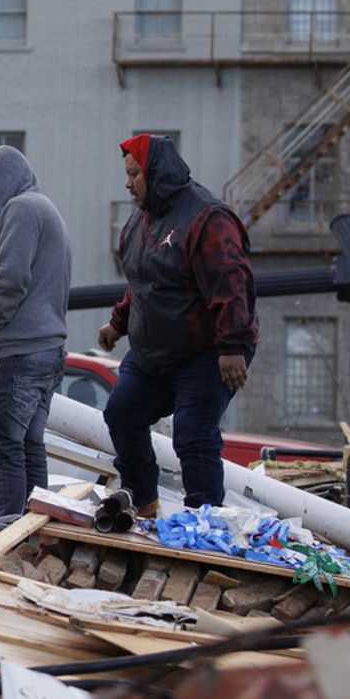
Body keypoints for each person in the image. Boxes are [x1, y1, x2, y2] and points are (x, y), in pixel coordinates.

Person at [98, 133, 257, 515]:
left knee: (194, 437)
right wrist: (117, 324)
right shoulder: (138, 223)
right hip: (154, 353)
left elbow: (232, 285)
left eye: (134, 174)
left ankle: (204, 523)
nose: (127, 182)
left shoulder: (207, 218)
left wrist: (232, 347)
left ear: (156, 173)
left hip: (206, 352)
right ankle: (142, 502)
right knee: (121, 413)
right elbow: (143, 283)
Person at [0, 145, 72, 544]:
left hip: (16, 357)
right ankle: (33, 544)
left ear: (4, 183)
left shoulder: (22, 210)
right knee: (27, 449)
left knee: (4, 453)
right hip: (44, 353)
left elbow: (8, 282)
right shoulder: (45, 209)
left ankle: (7, 548)